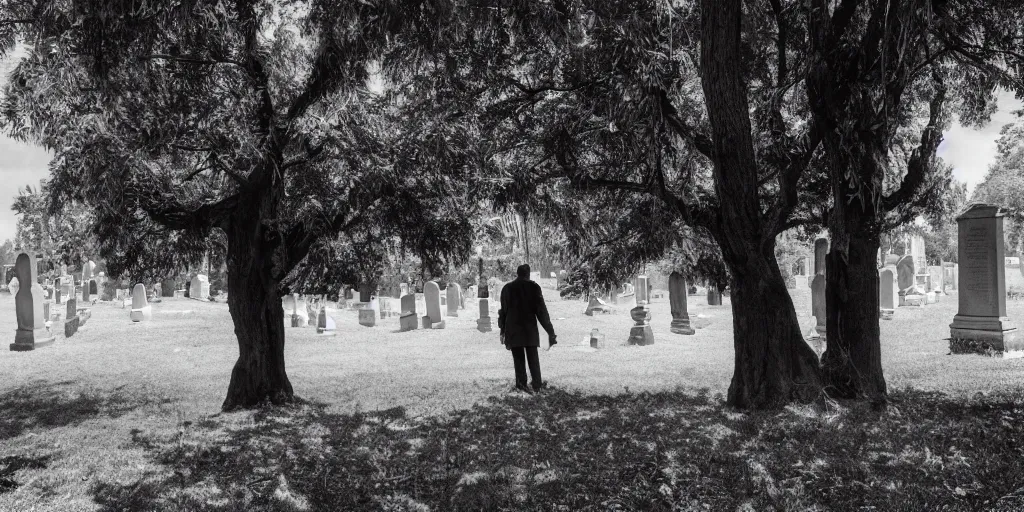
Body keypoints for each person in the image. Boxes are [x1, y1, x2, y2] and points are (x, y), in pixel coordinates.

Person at [498, 264, 557, 394]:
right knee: (533, 358)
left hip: (513, 328)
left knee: (518, 358)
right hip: (529, 328)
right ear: (528, 274)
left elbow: (503, 311)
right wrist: (550, 331)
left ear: (517, 273)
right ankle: (537, 384)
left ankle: (521, 384)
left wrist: (502, 329)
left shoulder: (507, 288)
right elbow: (542, 312)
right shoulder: (534, 287)